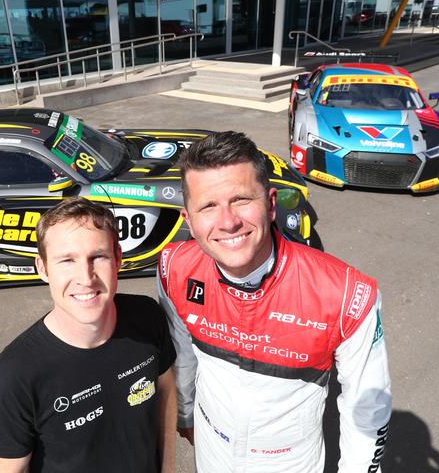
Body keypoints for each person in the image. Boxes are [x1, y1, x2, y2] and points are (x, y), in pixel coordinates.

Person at [157, 131, 391, 472]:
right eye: (208, 205)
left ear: (270, 204)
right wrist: (186, 413)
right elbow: (180, 351)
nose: (227, 221)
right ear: (188, 221)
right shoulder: (174, 266)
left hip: (290, 462)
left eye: (240, 199)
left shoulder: (345, 293)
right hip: (211, 450)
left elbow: (367, 409)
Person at [0, 197, 177, 473]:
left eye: (98, 257)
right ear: (43, 268)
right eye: (67, 260)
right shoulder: (14, 374)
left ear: (118, 258)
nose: (86, 277)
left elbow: (165, 391)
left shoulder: (147, 316)